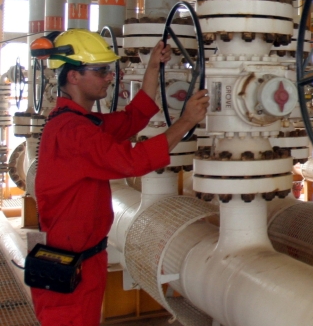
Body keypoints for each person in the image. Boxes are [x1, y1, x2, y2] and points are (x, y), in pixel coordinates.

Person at [28, 29, 208, 326]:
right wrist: (186, 121)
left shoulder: (81, 123)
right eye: (100, 71)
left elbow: (133, 118)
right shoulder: (73, 132)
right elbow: (133, 162)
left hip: (86, 258)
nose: (109, 77)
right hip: (69, 264)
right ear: (73, 77)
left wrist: (152, 67)